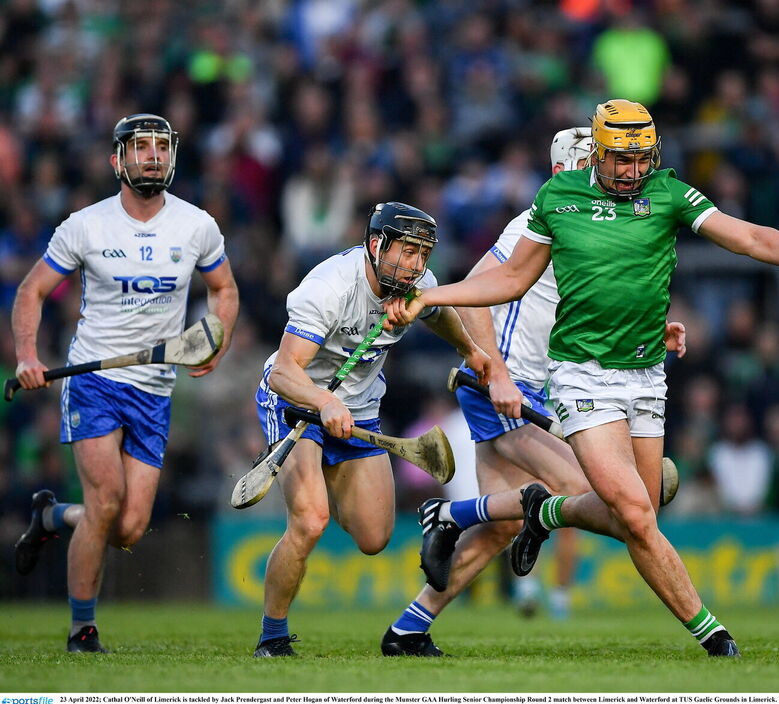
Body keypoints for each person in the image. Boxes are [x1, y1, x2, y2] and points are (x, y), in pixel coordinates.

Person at [387, 99, 779, 658]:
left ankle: (412, 618)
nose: (632, 170)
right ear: (587, 159)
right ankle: (715, 638)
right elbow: (500, 282)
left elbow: (748, 239)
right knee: (612, 504)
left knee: (577, 515)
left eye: (640, 159)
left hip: (631, 375)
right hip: (535, 383)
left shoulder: (665, 193)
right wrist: (466, 337)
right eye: (618, 159)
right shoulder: (546, 210)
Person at [382, 127, 686, 657]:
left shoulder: (594, 226)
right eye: (595, 163)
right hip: (505, 385)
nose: (609, 173)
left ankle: (408, 626)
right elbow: (472, 293)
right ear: (564, 170)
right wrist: (496, 371)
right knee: (598, 496)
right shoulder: (534, 222)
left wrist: (653, 327)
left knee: (502, 529)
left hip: (540, 388)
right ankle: (458, 515)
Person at [11, 113, 240, 653]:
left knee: (129, 527)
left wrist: (216, 338)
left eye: (162, 147)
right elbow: (31, 291)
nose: (154, 156)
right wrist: (26, 354)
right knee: (107, 498)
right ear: (118, 160)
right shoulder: (85, 225)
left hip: (155, 388)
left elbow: (223, 289)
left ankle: (51, 515)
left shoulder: (197, 225)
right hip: (94, 380)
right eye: (141, 148)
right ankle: (82, 629)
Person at [250, 201, 489, 658]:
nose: (417, 265)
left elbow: (439, 314)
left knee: (374, 538)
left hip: (360, 412)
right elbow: (283, 372)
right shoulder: (329, 288)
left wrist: (471, 351)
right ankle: (273, 636)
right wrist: (322, 400)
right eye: (408, 252)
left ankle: (324, 488)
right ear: (376, 245)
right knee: (310, 521)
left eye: (424, 254)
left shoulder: (420, 284)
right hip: (296, 402)